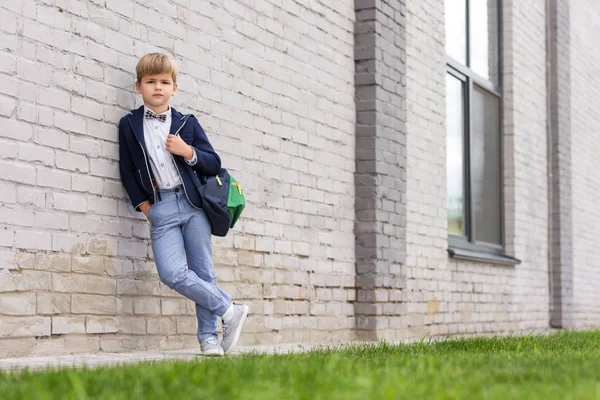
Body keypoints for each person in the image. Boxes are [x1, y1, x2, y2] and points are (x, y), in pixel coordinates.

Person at [118, 53, 248, 357]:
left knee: (203, 271)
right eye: (151, 82)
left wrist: (188, 151)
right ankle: (229, 309)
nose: (158, 87)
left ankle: (209, 338)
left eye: (164, 82)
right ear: (139, 87)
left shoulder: (187, 123)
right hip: (160, 205)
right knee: (171, 273)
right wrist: (145, 207)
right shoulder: (129, 124)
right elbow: (126, 170)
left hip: (193, 206)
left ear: (174, 88)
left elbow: (213, 163)